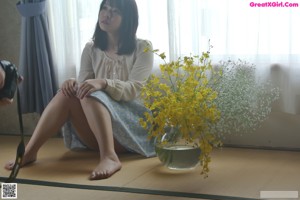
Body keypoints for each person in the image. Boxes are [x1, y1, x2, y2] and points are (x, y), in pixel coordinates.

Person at [5, 0, 155, 180]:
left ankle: (109, 156)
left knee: (88, 90)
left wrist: (103, 83)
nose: (106, 14)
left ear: (128, 19)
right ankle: (29, 152)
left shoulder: (143, 47)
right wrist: (72, 82)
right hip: (98, 131)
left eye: (114, 12)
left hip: (132, 132)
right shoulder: (91, 48)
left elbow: (133, 89)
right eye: (104, 9)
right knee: (68, 93)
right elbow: (84, 86)